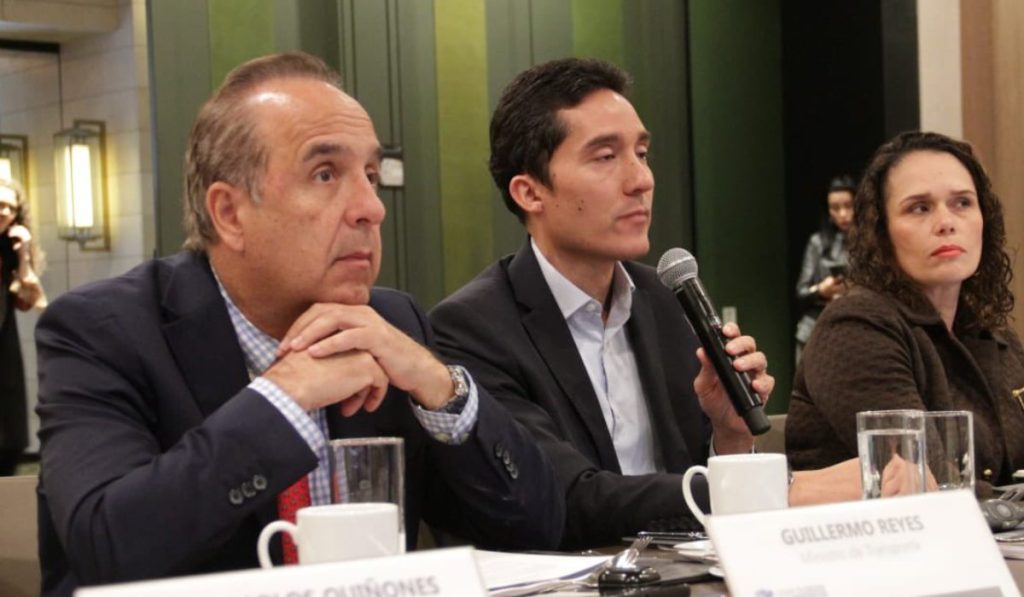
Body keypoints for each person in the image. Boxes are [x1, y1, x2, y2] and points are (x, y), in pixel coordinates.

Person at [35, 51, 563, 595]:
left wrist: (441, 389)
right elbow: (107, 546)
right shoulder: (102, 330)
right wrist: (283, 398)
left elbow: (536, 529)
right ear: (230, 213)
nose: (371, 208)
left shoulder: (389, 323)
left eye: (372, 176)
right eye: (326, 173)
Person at [429, 57, 864, 549]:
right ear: (530, 192)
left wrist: (729, 435)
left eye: (641, 152)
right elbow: (567, 498)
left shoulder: (665, 298)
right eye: (605, 157)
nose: (641, 180)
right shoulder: (472, 328)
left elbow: (689, 487)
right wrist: (771, 491)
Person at [786, 131, 1024, 496]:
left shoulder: (995, 335)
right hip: (866, 547)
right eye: (919, 207)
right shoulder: (855, 326)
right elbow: (930, 480)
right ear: (881, 233)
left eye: (962, 203)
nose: (946, 222)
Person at [0, 178, 45, 476]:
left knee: (8, 439)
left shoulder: (9, 248)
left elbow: (29, 300)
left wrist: (24, 253)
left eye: (9, 207)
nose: (3, 212)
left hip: (4, 346)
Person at [794, 175, 854, 360]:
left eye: (848, 206)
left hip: (853, 327)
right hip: (816, 327)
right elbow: (801, 292)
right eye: (835, 208)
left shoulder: (871, 243)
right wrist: (822, 289)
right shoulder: (818, 242)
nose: (843, 214)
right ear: (828, 211)